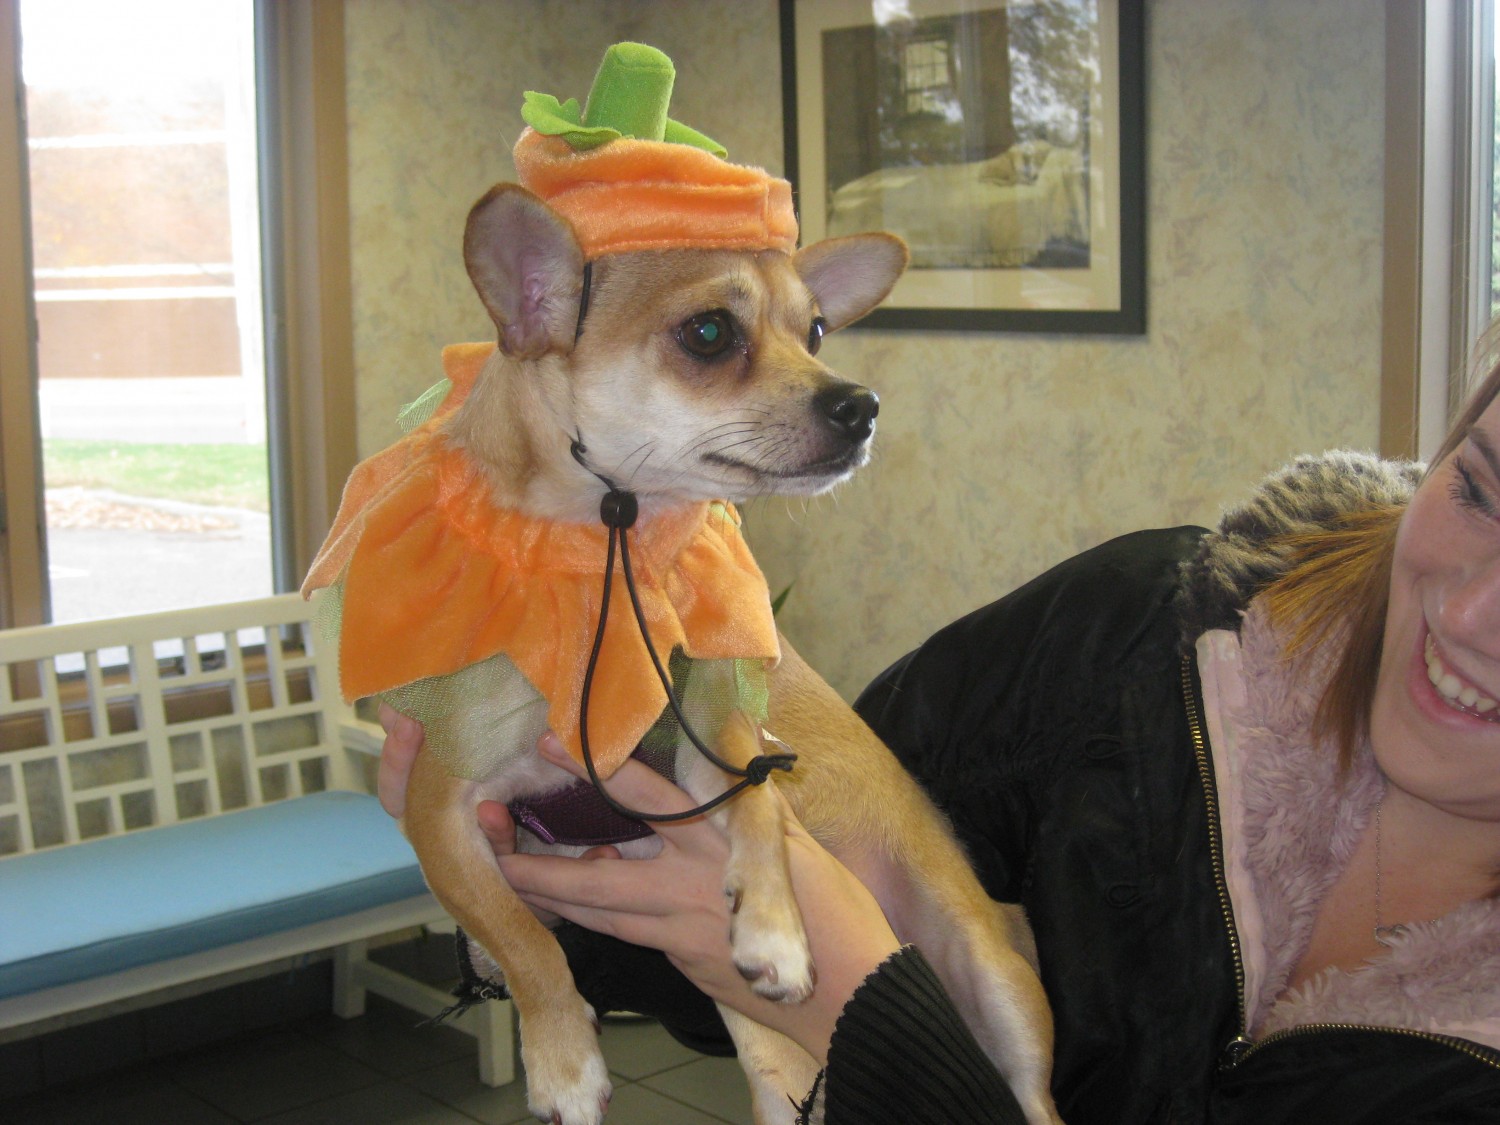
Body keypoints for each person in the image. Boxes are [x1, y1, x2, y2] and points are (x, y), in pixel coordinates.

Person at [378, 354, 1500, 1123]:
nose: (1468, 614)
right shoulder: (1141, 636)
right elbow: (742, 905)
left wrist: (861, 997)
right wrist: (546, 848)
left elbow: (817, 954)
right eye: (1485, 493)